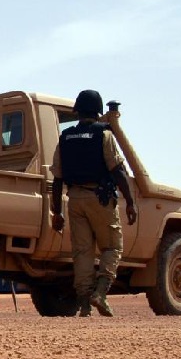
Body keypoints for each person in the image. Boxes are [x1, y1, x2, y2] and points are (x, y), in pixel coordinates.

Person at [50, 89, 137, 317]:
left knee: (82, 252)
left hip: (74, 200)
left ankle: (84, 304)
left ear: (77, 110)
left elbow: (57, 179)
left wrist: (56, 212)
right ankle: (100, 292)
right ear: (98, 111)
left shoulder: (65, 138)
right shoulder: (104, 134)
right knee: (112, 246)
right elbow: (117, 170)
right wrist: (130, 202)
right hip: (100, 198)